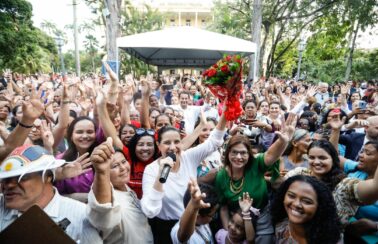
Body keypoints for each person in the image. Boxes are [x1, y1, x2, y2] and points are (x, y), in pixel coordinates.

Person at [201, 113, 297, 243]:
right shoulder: (221, 176)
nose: (239, 157)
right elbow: (223, 208)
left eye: (243, 153)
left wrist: (283, 141)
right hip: (237, 223)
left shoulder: (256, 165)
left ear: (249, 155)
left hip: (262, 221)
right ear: (227, 153)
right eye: (234, 152)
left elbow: (270, 155)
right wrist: (228, 233)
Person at [141, 105, 227, 244]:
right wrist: (162, 175)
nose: (173, 147)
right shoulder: (151, 170)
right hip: (168, 231)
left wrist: (227, 110)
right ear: (158, 145)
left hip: (197, 222)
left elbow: (214, 142)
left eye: (176, 142)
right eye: (167, 143)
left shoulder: (188, 157)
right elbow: (150, 211)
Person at [0, 145, 101, 243]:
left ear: (47, 177)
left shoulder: (81, 216)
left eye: (21, 178)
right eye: (4, 179)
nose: (9, 185)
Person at [87, 138, 153, 243]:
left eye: (123, 161)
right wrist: (101, 172)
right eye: (114, 166)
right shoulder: (108, 196)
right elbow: (103, 210)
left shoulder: (125, 187)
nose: (123, 168)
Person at [271, 175, 341, 243]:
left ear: (320, 207)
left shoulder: (332, 239)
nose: (296, 204)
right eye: (291, 196)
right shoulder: (280, 227)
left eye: (306, 201)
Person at [54, 116, 98, 200]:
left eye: (90, 132)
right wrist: (74, 197)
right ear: (71, 136)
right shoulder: (59, 160)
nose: (85, 136)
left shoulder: (101, 158)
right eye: (79, 132)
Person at [170, 179, 219, 244]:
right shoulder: (178, 230)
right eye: (212, 215)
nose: (213, 217)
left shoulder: (203, 223)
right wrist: (193, 206)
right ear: (198, 216)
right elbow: (183, 236)